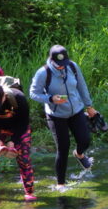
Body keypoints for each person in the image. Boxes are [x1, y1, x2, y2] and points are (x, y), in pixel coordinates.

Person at [28, 45, 100, 191]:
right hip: (56, 115)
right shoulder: (43, 73)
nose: (62, 67)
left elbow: (81, 86)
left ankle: (79, 154)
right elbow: (33, 93)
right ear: (51, 60)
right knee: (63, 148)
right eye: (58, 65)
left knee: (85, 140)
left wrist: (89, 105)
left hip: (76, 110)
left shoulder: (72, 66)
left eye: (64, 64)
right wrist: (50, 98)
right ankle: (61, 183)